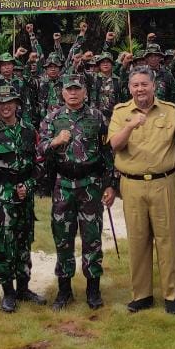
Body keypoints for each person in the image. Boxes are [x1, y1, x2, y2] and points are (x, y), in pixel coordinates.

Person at [107, 66, 175, 315]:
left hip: (164, 182)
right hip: (131, 184)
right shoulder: (121, 113)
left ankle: (171, 294)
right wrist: (130, 126)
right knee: (138, 241)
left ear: (154, 85)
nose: (140, 89)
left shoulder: (170, 110)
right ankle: (141, 295)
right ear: (129, 88)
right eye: (135, 85)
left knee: (167, 240)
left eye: (144, 84)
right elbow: (115, 145)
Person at [38, 75, 115, 311]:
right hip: (63, 185)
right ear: (62, 93)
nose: (73, 93)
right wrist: (55, 142)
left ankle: (93, 289)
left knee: (92, 237)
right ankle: (64, 290)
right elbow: (39, 149)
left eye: (77, 89)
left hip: (90, 184)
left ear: (84, 92)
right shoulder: (52, 118)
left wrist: (110, 184)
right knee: (63, 238)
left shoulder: (97, 117)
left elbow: (108, 152)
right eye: (68, 89)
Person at [0, 82, 43, 313]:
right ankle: (8, 292)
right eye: (0, 103)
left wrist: (29, 185)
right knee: (5, 244)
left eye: (9, 102)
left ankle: (24, 288)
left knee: (24, 242)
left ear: (16, 104)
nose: (5, 107)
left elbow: (39, 164)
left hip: (25, 193)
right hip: (3, 194)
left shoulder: (29, 129)